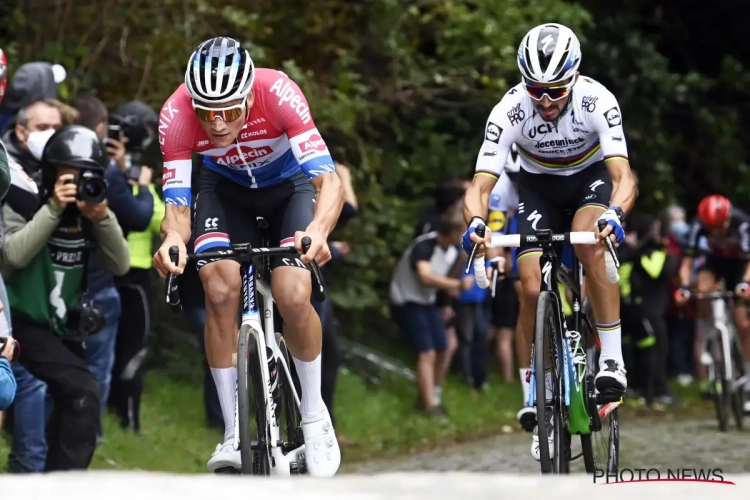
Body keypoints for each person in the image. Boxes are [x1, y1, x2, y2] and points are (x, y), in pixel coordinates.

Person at [152, 37, 343, 476]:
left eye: (231, 112)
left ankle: (314, 417)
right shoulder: (175, 116)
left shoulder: (278, 92)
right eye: (206, 113)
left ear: (249, 96)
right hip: (225, 192)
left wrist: (317, 230)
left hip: (288, 187)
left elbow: (327, 182)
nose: (217, 125)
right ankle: (234, 434)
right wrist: (172, 242)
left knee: (293, 292)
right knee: (218, 289)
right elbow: (178, 209)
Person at [462, 23, 636, 461]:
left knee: (588, 244)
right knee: (528, 283)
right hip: (538, 188)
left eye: (555, 90)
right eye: (535, 88)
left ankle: (611, 358)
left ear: (574, 77)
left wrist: (615, 213)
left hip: (589, 182)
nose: (544, 100)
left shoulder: (598, 101)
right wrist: (477, 224)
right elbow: (480, 186)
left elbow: (623, 177)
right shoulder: (510, 110)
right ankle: (538, 391)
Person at [0, 125, 130, 470]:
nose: (77, 183)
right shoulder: (27, 201)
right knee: (82, 390)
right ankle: (58, 482)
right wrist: (53, 208)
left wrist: (102, 218)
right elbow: (12, 255)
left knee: (73, 398)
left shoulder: (92, 209)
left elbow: (121, 264)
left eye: (87, 175)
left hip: (61, 324)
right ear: (51, 172)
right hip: (23, 322)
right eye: (68, 175)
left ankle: (55, 482)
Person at [674, 194, 750, 411]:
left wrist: (745, 285)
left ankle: (748, 378)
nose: (715, 232)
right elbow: (686, 263)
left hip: (740, 266)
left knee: (743, 322)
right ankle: (709, 333)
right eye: (711, 228)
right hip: (715, 262)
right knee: (702, 289)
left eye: (719, 227)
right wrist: (684, 288)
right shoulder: (698, 224)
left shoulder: (742, 223)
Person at [390, 214, 466, 415]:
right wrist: (457, 285)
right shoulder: (424, 246)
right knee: (427, 352)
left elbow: (446, 281)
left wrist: (446, 303)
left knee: (443, 348)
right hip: (407, 300)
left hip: (428, 302)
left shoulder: (452, 251)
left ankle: (429, 395)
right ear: (452, 233)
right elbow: (426, 277)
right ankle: (430, 406)